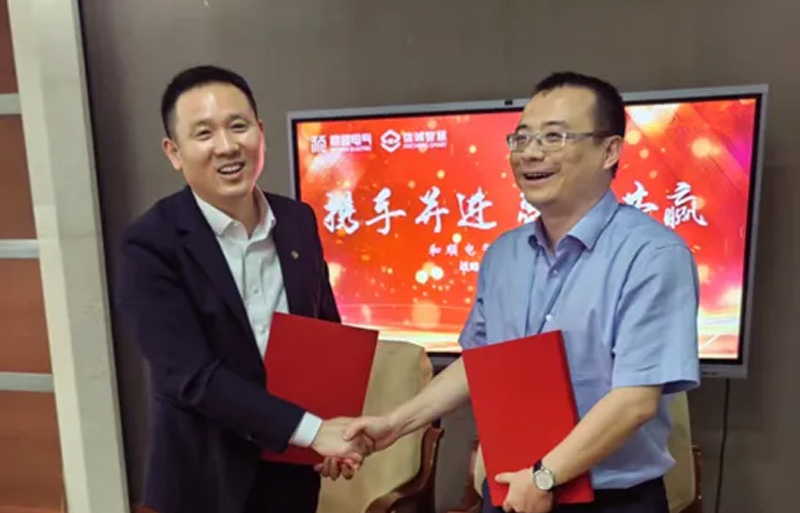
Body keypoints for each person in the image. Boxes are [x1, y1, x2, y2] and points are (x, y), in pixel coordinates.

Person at [320, 71, 700, 513]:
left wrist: (545, 475)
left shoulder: (653, 255)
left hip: (611, 501)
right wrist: (394, 423)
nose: (531, 153)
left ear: (609, 150)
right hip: (510, 488)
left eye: (554, 136)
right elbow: (478, 365)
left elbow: (635, 401)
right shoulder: (504, 255)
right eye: (522, 139)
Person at [115, 65, 370, 513]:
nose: (227, 146)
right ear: (174, 152)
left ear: (260, 132)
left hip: (291, 475)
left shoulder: (297, 221)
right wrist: (313, 430)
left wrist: (332, 429)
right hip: (204, 480)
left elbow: (325, 332)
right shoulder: (150, 244)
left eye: (238, 126)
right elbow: (190, 377)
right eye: (204, 133)